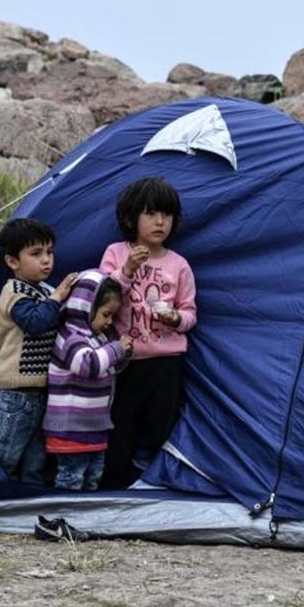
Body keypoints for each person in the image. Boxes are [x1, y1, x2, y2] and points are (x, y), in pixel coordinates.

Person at [99, 177, 197, 488]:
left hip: (166, 362)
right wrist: (126, 270)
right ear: (130, 219)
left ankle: (162, 483)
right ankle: (114, 481)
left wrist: (175, 318)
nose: (160, 222)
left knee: (162, 426)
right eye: (151, 213)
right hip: (125, 361)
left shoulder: (178, 264)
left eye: (166, 215)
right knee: (120, 424)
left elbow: (190, 313)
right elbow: (100, 297)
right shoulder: (116, 253)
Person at [0, 218, 78, 485]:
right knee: (7, 453)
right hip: (16, 393)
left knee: (36, 457)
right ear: (12, 262)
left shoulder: (42, 291)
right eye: (36, 253)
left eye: (49, 252)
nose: (46, 260)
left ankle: (26, 501)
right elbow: (36, 323)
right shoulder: (14, 292)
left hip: (41, 390)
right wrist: (59, 295)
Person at [42, 271, 133, 490]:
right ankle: (63, 517)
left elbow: (108, 366)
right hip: (70, 428)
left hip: (94, 427)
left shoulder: (99, 338)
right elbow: (89, 365)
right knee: (72, 476)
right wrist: (116, 349)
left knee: (93, 475)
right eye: (106, 314)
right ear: (86, 308)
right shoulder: (70, 338)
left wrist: (123, 354)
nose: (110, 321)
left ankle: (82, 518)